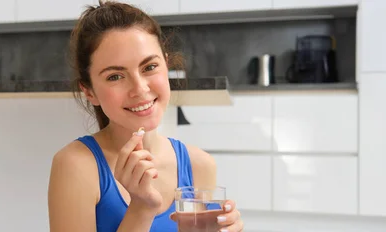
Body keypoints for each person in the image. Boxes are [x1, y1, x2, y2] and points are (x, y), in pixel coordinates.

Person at [47, 1, 244, 231]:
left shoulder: (200, 165)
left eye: (149, 67)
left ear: (166, 65)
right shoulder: (76, 165)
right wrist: (141, 208)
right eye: (115, 76)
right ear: (89, 91)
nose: (139, 89)